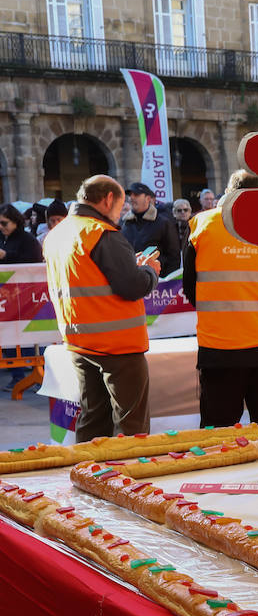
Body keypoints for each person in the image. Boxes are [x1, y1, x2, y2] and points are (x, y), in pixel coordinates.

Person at [45, 175, 160, 441]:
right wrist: (150, 271)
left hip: (79, 342)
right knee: (132, 429)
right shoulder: (101, 233)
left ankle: (88, 475)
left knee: (92, 420)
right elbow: (132, 285)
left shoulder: (57, 234)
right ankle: (131, 481)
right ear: (108, 199)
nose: (122, 214)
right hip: (118, 347)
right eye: (121, 207)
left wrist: (133, 266)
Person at [182, 169, 258, 426]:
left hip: (220, 349)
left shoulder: (202, 225)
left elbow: (190, 288)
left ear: (228, 194)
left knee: (218, 436)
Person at [0, 203, 45, 390]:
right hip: (6, 298)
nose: (1, 227)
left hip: (26, 298)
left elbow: (31, 261)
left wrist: (5, 256)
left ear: (15, 222)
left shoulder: (27, 239)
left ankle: (44, 371)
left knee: (31, 339)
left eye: (4, 223)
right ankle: (17, 376)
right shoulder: (2, 238)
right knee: (9, 337)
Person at [121, 182, 181, 273]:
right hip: (130, 278)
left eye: (136, 194)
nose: (131, 198)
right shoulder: (123, 223)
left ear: (148, 198)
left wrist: (167, 282)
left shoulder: (163, 223)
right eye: (130, 195)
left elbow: (174, 256)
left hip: (158, 281)